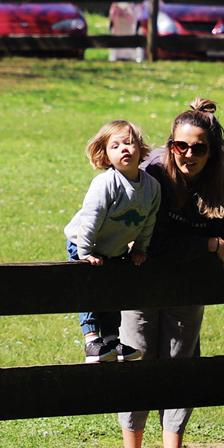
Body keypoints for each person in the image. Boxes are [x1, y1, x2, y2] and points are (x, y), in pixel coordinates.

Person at [113, 98, 224, 448]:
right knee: (137, 359)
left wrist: (214, 245)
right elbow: (151, 241)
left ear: (213, 149)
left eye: (199, 147)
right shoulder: (152, 172)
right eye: (180, 146)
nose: (188, 154)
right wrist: (208, 245)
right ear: (170, 145)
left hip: (189, 285)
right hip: (142, 279)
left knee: (180, 363)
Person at [64, 120, 159, 362]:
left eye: (129, 143)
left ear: (140, 148)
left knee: (112, 293)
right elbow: (90, 219)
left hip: (114, 249)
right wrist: (85, 252)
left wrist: (140, 248)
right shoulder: (106, 183)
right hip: (84, 244)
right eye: (115, 146)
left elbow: (148, 222)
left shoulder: (152, 187)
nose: (124, 149)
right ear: (106, 156)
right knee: (90, 291)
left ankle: (111, 341)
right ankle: (92, 341)